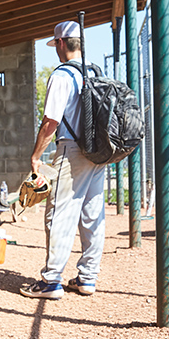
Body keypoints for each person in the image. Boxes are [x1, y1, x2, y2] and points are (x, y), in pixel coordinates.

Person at [20, 20, 106, 300]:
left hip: (72, 150)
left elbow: (51, 122)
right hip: (99, 151)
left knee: (59, 213)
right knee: (92, 214)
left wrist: (36, 156)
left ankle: (51, 281)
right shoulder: (94, 70)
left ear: (61, 43)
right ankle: (87, 278)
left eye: (55, 44)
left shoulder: (62, 74)